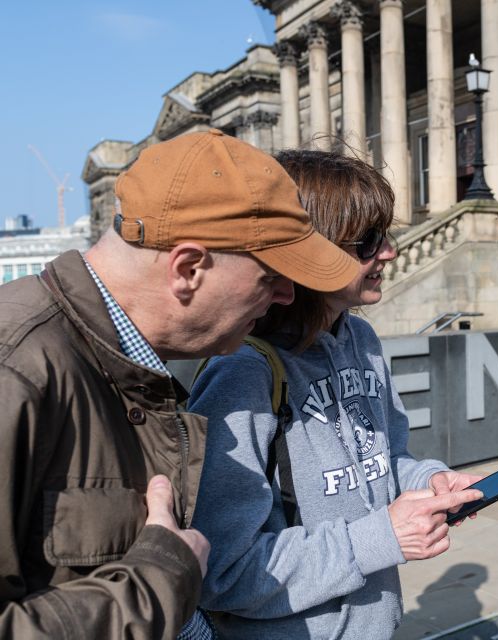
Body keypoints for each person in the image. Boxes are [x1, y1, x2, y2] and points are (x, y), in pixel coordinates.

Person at [0, 129, 359, 639]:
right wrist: (161, 579)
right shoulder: (17, 374)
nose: (285, 295)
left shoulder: (120, 365)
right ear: (188, 268)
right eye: (270, 275)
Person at [188, 149, 483, 640]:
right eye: (368, 242)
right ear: (310, 250)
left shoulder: (361, 341)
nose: (389, 251)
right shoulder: (241, 373)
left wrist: (430, 481)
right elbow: (224, 572)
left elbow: (385, 462)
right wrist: (380, 537)